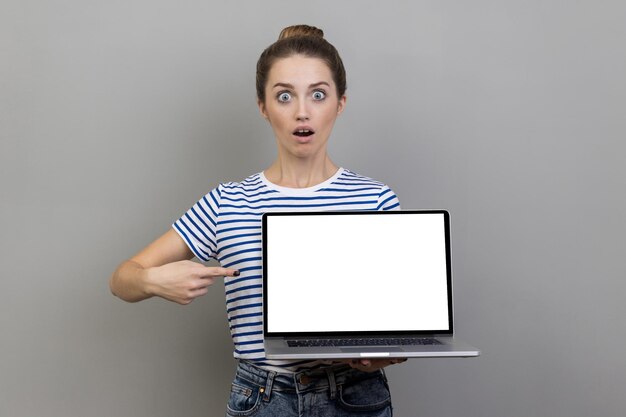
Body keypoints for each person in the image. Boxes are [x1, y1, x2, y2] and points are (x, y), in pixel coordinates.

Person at [110, 24, 404, 416]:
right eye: (285, 96)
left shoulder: (376, 200)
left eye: (318, 94)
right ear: (263, 106)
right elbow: (122, 280)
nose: (303, 111)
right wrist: (151, 280)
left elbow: (402, 326)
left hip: (355, 398)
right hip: (262, 400)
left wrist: (388, 353)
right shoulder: (228, 202)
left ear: (340, 103)